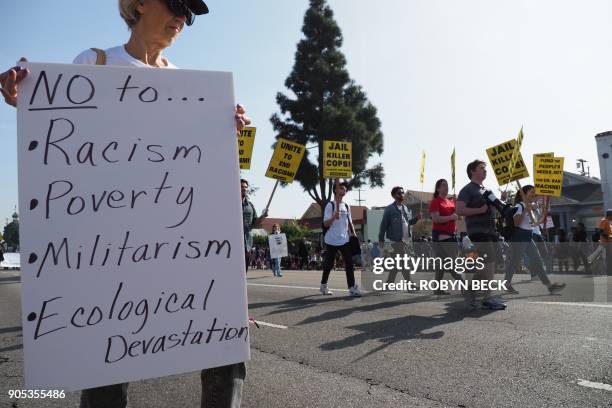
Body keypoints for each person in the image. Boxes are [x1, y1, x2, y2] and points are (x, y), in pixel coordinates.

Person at [1, 1, 253, 407]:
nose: (182, 18)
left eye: (189, 13)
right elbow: (57, 135)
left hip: (176, 246)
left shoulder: (190, 89)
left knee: (226, 336)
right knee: (106, 365)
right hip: (109, 249)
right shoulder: (94, 65)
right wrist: (23, 97)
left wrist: (225, 130)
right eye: (175, 4)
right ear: (138, 4)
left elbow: (193, 174)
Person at [455, 160, 506, 310]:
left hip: (490, 231)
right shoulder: (467, 189)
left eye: (485, 168)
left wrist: (501, 201)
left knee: (489, 265)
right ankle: (486, 298)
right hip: (477, 232)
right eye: (481, 168)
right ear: (472, 171)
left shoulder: (486, 190)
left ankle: (469, 285)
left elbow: (492, 210)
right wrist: (481, 210)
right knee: (489, 265)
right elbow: (459, 210)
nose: (485, 170)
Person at [503, 185, 566, 295]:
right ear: (524, 194)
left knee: (537, 261)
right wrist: (525, 210)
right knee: (515, 261)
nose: (534, 195)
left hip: (528, 236)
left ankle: (549, 286)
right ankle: (507, 283)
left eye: (534, 193)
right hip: (519, 237)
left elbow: (534, 223)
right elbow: (516, 222)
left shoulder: (530, 206)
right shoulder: (519, 206)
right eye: (531, 192)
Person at [320, 180, 362, 297]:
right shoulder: (330, 205)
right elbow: (326, 224)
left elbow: (350, 222)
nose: (343, 190)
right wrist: (334, 216)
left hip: (344, 240)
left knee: (349, 263)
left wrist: (353, 233)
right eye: (341, 188)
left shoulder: (346, 206)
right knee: (329, 264)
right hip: (331, 240)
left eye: (345, 189)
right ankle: (323, 285)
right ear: (335, 190)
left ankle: (352, 287)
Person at [378, 186, 421, 288]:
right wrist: (381, 239)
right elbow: (383, 225)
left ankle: (389, 284)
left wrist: (416, 219)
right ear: (393, 195)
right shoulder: (389, 209)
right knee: (404, 262)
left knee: (397, 265)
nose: (401, 195)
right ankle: (410, 285)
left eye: (402, 193)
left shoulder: (405, 208)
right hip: (395, 241)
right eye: (398, 193)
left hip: (405, 240)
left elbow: (407, 223)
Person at [429, 179, 463, 295]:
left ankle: (437, 288)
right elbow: (436, 219)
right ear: (438, 188)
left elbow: (459, 217)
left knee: (443, 263)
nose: (446, 187)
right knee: (451, 263)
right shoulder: (435, 202)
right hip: (441, 236)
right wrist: (451, 217)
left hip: (451, 235)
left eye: (447, 185)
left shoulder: (450, 202)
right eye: (443, 185)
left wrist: (457, 205)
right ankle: (464, 285)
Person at [241, 179, 268, 274]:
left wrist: (263, 216)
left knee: (244, 271)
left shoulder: (250, 206)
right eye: (241, 186)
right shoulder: (230, 204)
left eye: (245, 187)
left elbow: (255, 223)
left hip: (247, 243)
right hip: (231, 242)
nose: (244, 188)